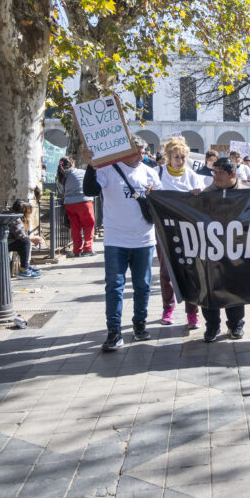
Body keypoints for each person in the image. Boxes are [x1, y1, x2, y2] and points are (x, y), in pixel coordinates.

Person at [82, 135, 162, 351]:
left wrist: (154, 197)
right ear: (124, 151)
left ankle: (139, 324)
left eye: (143, 152)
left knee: (143, 285)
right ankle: (114, 331)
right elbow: (90, 191)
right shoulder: (108, 169)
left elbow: (162, 206)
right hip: (115, 240)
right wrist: (90, 166)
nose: (139, 156)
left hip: (144, 239)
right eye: (135, 151)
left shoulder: (150, 173)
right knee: (114, 287)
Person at [200, 158, 250, 341]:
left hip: (237, 250)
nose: (215, 176)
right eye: (215, 172)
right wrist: (192, 199)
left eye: (220, 173)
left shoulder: (245, 191)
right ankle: (212, 326)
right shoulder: (207, 192)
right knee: (211, 288)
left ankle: (235, 325)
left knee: (235, 287)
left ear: (232, 175)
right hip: (212, 251)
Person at [155, 137, 205, 328]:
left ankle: (192, 313)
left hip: (186, 232)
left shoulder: (192, 176)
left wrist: (196, 196)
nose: (180, 160)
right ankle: (168, 309)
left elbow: (200, 202)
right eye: (176, 157)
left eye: (183, 157)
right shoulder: (157, 173)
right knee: (166, 272)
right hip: (163, 231)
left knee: (190, 271)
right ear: (168, 157)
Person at [57, 156, 96, 257]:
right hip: (84, 201)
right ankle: (87, 248)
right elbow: (89, 183)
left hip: (70, 204)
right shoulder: (81, 172)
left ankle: (77, 250)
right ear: (72, 163)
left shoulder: (61, 176)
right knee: (88, 225)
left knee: (75, 227)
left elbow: (62, 191)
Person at [7, 200, 44, 279]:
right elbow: (20, 236)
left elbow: (19, 234)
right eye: (29, 212)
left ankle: (25, 265)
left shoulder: (11, 215)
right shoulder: (15, 219)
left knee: (23, 242)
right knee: (25, 242)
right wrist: (32, 238)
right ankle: (24, 271)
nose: (29, 215)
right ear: (24, 212)